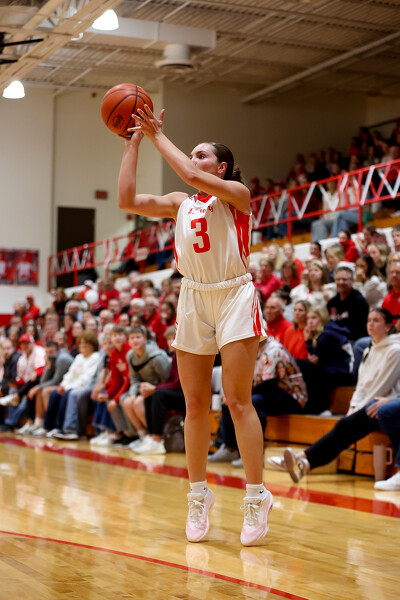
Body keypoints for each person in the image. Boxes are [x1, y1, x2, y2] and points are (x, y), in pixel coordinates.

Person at [117, 105, 272, 546]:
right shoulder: (180, 204)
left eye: (201, 154)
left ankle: (257, 496)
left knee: (237, 401)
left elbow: (190, 174)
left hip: (234, 294)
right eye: (193, 154)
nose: (193, 159)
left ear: (220, 167)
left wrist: (156, 134)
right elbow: (127, 200)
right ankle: (199, 494)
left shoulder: (236, 194)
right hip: (193, 297)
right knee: (196, 404)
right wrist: (133, 144)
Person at [268, 308, 400, 482]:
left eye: (376, 320)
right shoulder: (369, 349)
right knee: (346, 426)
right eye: (369, 320)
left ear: (388, 326)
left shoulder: (395, 350)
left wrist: (356, 411)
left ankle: (302, 458)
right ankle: (305, 463)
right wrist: (352, 407)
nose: (371, 324)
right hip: (371, 406)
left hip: (381, 405)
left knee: (345, 425)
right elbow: (361, 385)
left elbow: (381, 386)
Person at [327, 265, 369, 342]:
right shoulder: (331, 303)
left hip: (354, 340)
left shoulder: (359, 301)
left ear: (352, 281)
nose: (341, 282)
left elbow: (361, 330)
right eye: (338, 279)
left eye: (344, 279)